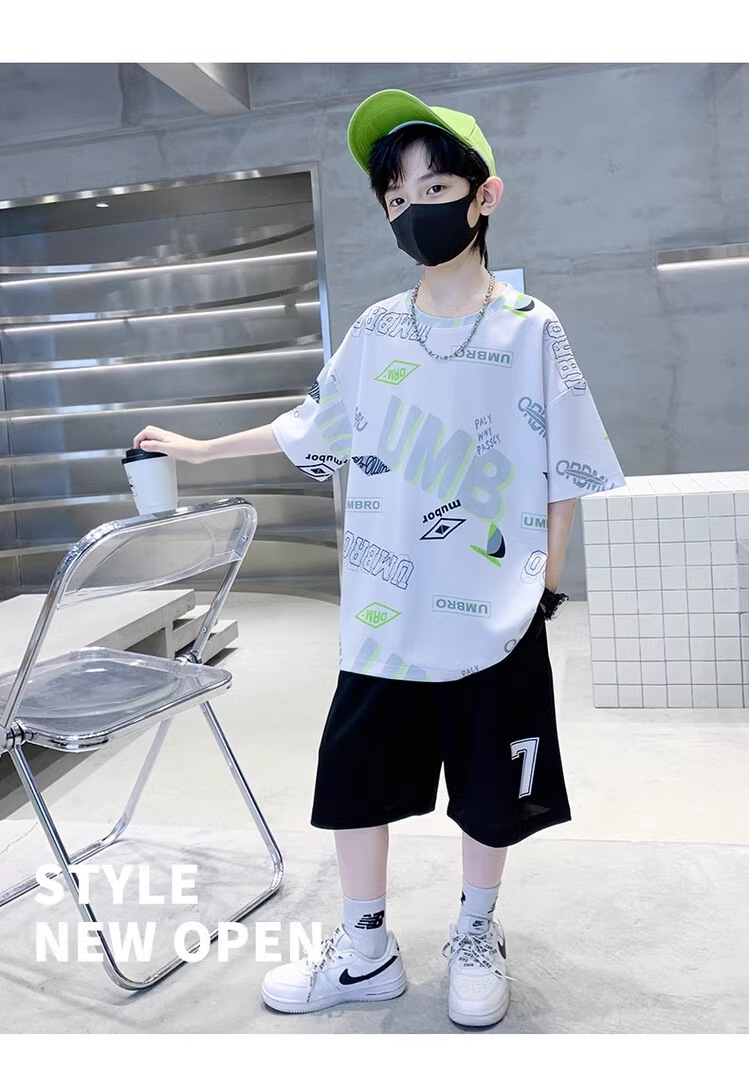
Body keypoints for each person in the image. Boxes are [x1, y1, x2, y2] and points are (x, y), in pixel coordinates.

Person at [134, 88, 626, 1028]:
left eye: (434, 188)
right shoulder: (374, 333)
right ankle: (364, 949)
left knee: (491, 791)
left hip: (495, 612)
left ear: (483, 196)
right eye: (396, 198)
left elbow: (562, 469)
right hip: (384, 616)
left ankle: (475, 931)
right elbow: (307, 426)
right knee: (355, 780)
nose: (413, 210)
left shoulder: (532, 327)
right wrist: (197, 452)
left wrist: (543, 588)